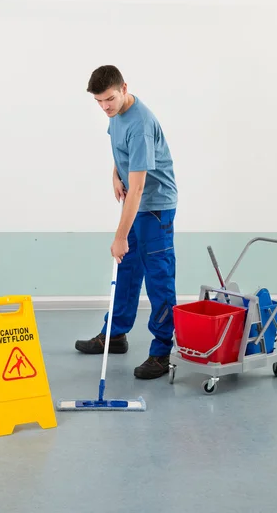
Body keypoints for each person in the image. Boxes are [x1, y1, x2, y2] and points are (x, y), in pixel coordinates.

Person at [75, 65, 178, 379]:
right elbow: (120, 152)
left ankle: (161, 351)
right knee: (127, 270)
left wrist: (120, 236)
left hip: (155, 208)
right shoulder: (115, 116)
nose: (105, 107)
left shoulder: (141, 123)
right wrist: (114, 174)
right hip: (137, 202)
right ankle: (115, 335)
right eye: (99, 102)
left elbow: (139, 189)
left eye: (109, 99)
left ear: (124, 88)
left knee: (157, 277)